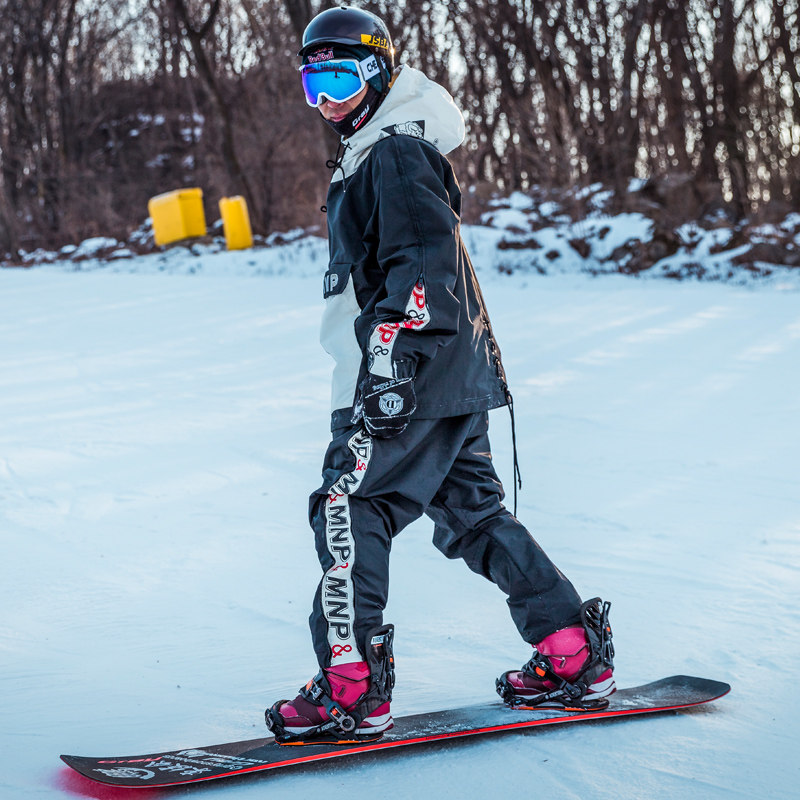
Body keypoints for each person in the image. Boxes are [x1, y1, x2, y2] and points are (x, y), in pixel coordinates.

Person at [265, 6, 614, 745]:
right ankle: (570, 649)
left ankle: (350, 686)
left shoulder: (393, 151)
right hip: (449, 375)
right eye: (312, 85)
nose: (327, 101)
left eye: (340, 80)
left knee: (349, 505)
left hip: (406, 373)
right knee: (472, 516)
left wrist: (391, 360)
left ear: (378, 73)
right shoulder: (381, 149)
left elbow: (424, 263)